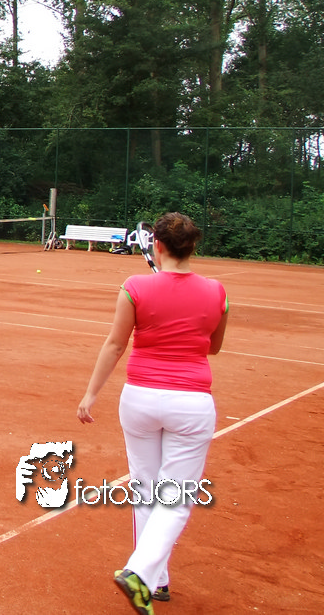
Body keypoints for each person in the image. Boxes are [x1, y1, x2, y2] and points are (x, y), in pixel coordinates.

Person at [76, 212, 229, 615]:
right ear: (192, 247)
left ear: (156, 246)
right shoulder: (217, 292)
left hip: (140, 400)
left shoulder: (134, 287)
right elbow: (213, 346)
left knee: (146, 489)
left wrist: (91, 394)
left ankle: (154, 580)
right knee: (176, 496)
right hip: (191, 404)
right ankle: (141, 572)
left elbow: (115, 344)